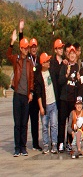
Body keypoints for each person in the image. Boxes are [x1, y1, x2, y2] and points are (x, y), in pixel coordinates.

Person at [8, 28, 35, 157]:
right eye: (24, 48)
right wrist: (12, 42)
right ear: (20, 49)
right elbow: (8, 55)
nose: (26, 50)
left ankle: (23, 147)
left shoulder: (29, 62)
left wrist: (31, 92)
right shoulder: (16, 59)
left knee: (24, 123)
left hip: (26, 96)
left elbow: (31, 79)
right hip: (17, 95)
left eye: (27, 48)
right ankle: (17, 147)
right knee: (17, 123)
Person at [35, 52, 58, 154]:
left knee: (54, 125)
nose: (49, 63)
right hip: (45, 105)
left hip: (53, 103)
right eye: (47, 61)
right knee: (45, 126)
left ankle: (54, 144)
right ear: (43, 63)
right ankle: (45, 145)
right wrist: (41, 107)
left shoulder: (51, 71)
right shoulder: (39, 77)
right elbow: (38, 94)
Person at [59, 45, 80, 152]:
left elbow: (78, 84)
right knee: (62, 121)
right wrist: (66, 75)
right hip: (64, 98)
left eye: (73, 53)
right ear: (67, 55)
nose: (72, 55)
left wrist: (79, 80)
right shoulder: (64, 66)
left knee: (71, 122)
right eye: (70, 53)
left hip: (72, 99)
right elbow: (60, 81)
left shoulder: (77, 67)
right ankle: (60, 143)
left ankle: (69, 142)